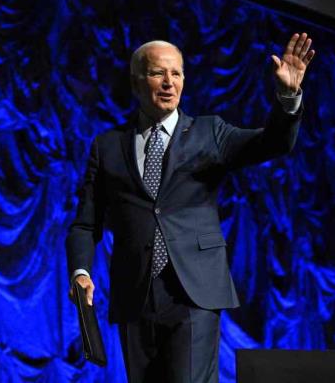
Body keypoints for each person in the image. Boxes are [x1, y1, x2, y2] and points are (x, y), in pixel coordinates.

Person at [67, 33, 315, 382]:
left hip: (193, 292)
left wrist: (288, 97)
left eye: (177, 74)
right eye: (157, 73)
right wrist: (81, 271)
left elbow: (271, 143)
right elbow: (85, 223)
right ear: (137, 83)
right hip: (135, 296)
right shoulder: (107, 147)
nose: (169, 83)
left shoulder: (208, 132)